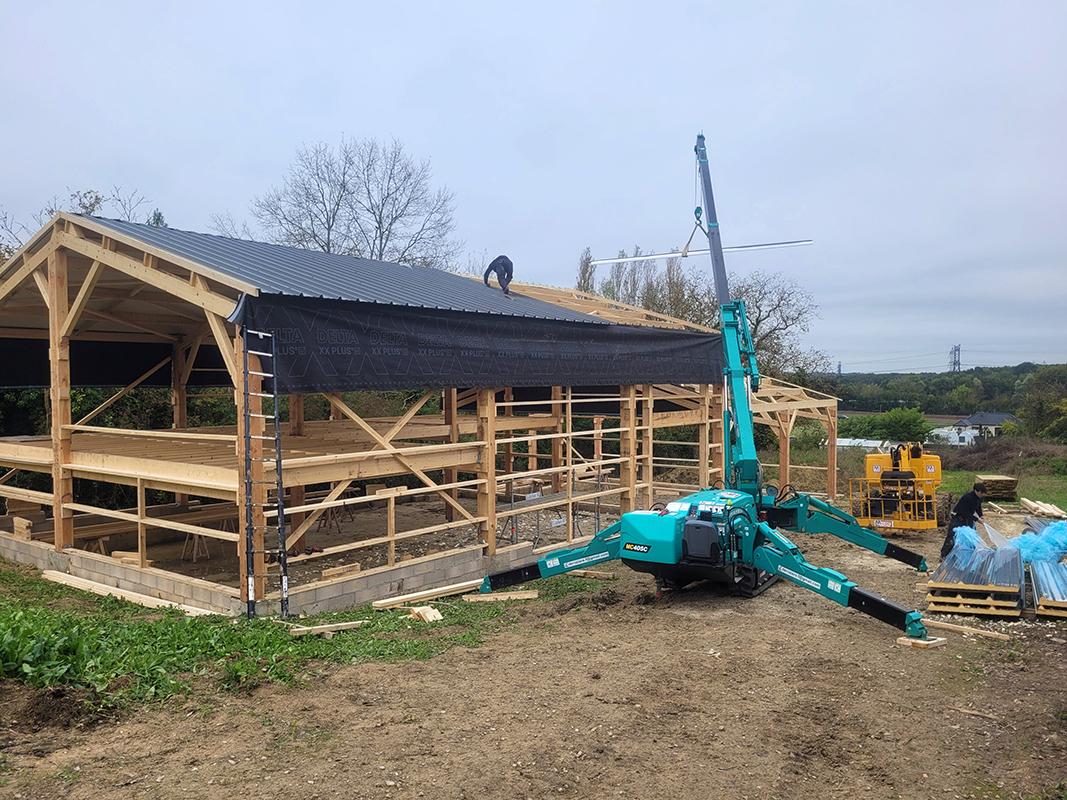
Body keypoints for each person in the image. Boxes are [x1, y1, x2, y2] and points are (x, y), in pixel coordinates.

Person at [941, 481, 987, 558]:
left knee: (971, 536)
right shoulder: (967, 497)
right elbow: (964, 511)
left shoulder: (980, 498)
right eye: (981, 493)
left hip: (968, 519)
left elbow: (978, 507)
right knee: (952, 536)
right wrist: (976, 519)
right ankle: (944, 554)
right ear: (976, 491)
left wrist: (981, 516)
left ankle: (968, 555)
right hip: (959, 518)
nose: (983, 495)